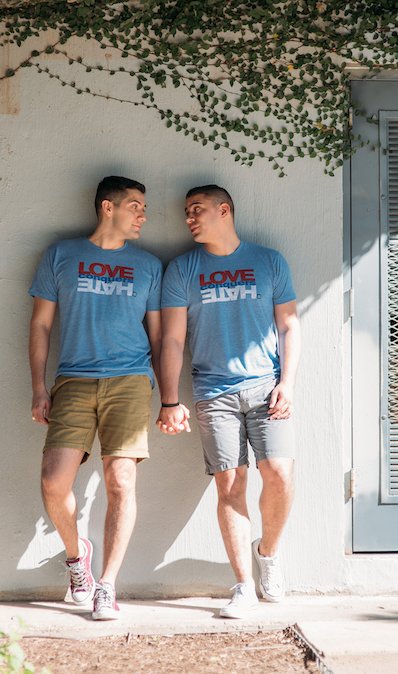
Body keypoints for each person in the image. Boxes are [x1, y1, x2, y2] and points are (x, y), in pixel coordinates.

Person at [157, 185, 300, 618]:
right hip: (213, 392)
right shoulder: (182, 269)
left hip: (266, 387)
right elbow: (173, 339)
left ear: (225, 210)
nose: (190, 218)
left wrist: (288, 383)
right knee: (230, 486)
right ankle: (243, 585)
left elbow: (290, 326)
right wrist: (168, 398)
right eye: (186, 212)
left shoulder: (269, 261)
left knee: (278, 475)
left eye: (197, 210)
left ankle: (268, 553)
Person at [29, 176, 162, 620]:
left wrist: (169, 397)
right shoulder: (61, 255)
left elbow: (159, 336)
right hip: (74, 380)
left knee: (121, 481)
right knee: (53, 480)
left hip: (129, 379)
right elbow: (42, 325)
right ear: (108, 207)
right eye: (135, 206)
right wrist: (38, 386)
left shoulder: (148, 265)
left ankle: (107, 585)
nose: (143, 215)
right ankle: (77, 556)